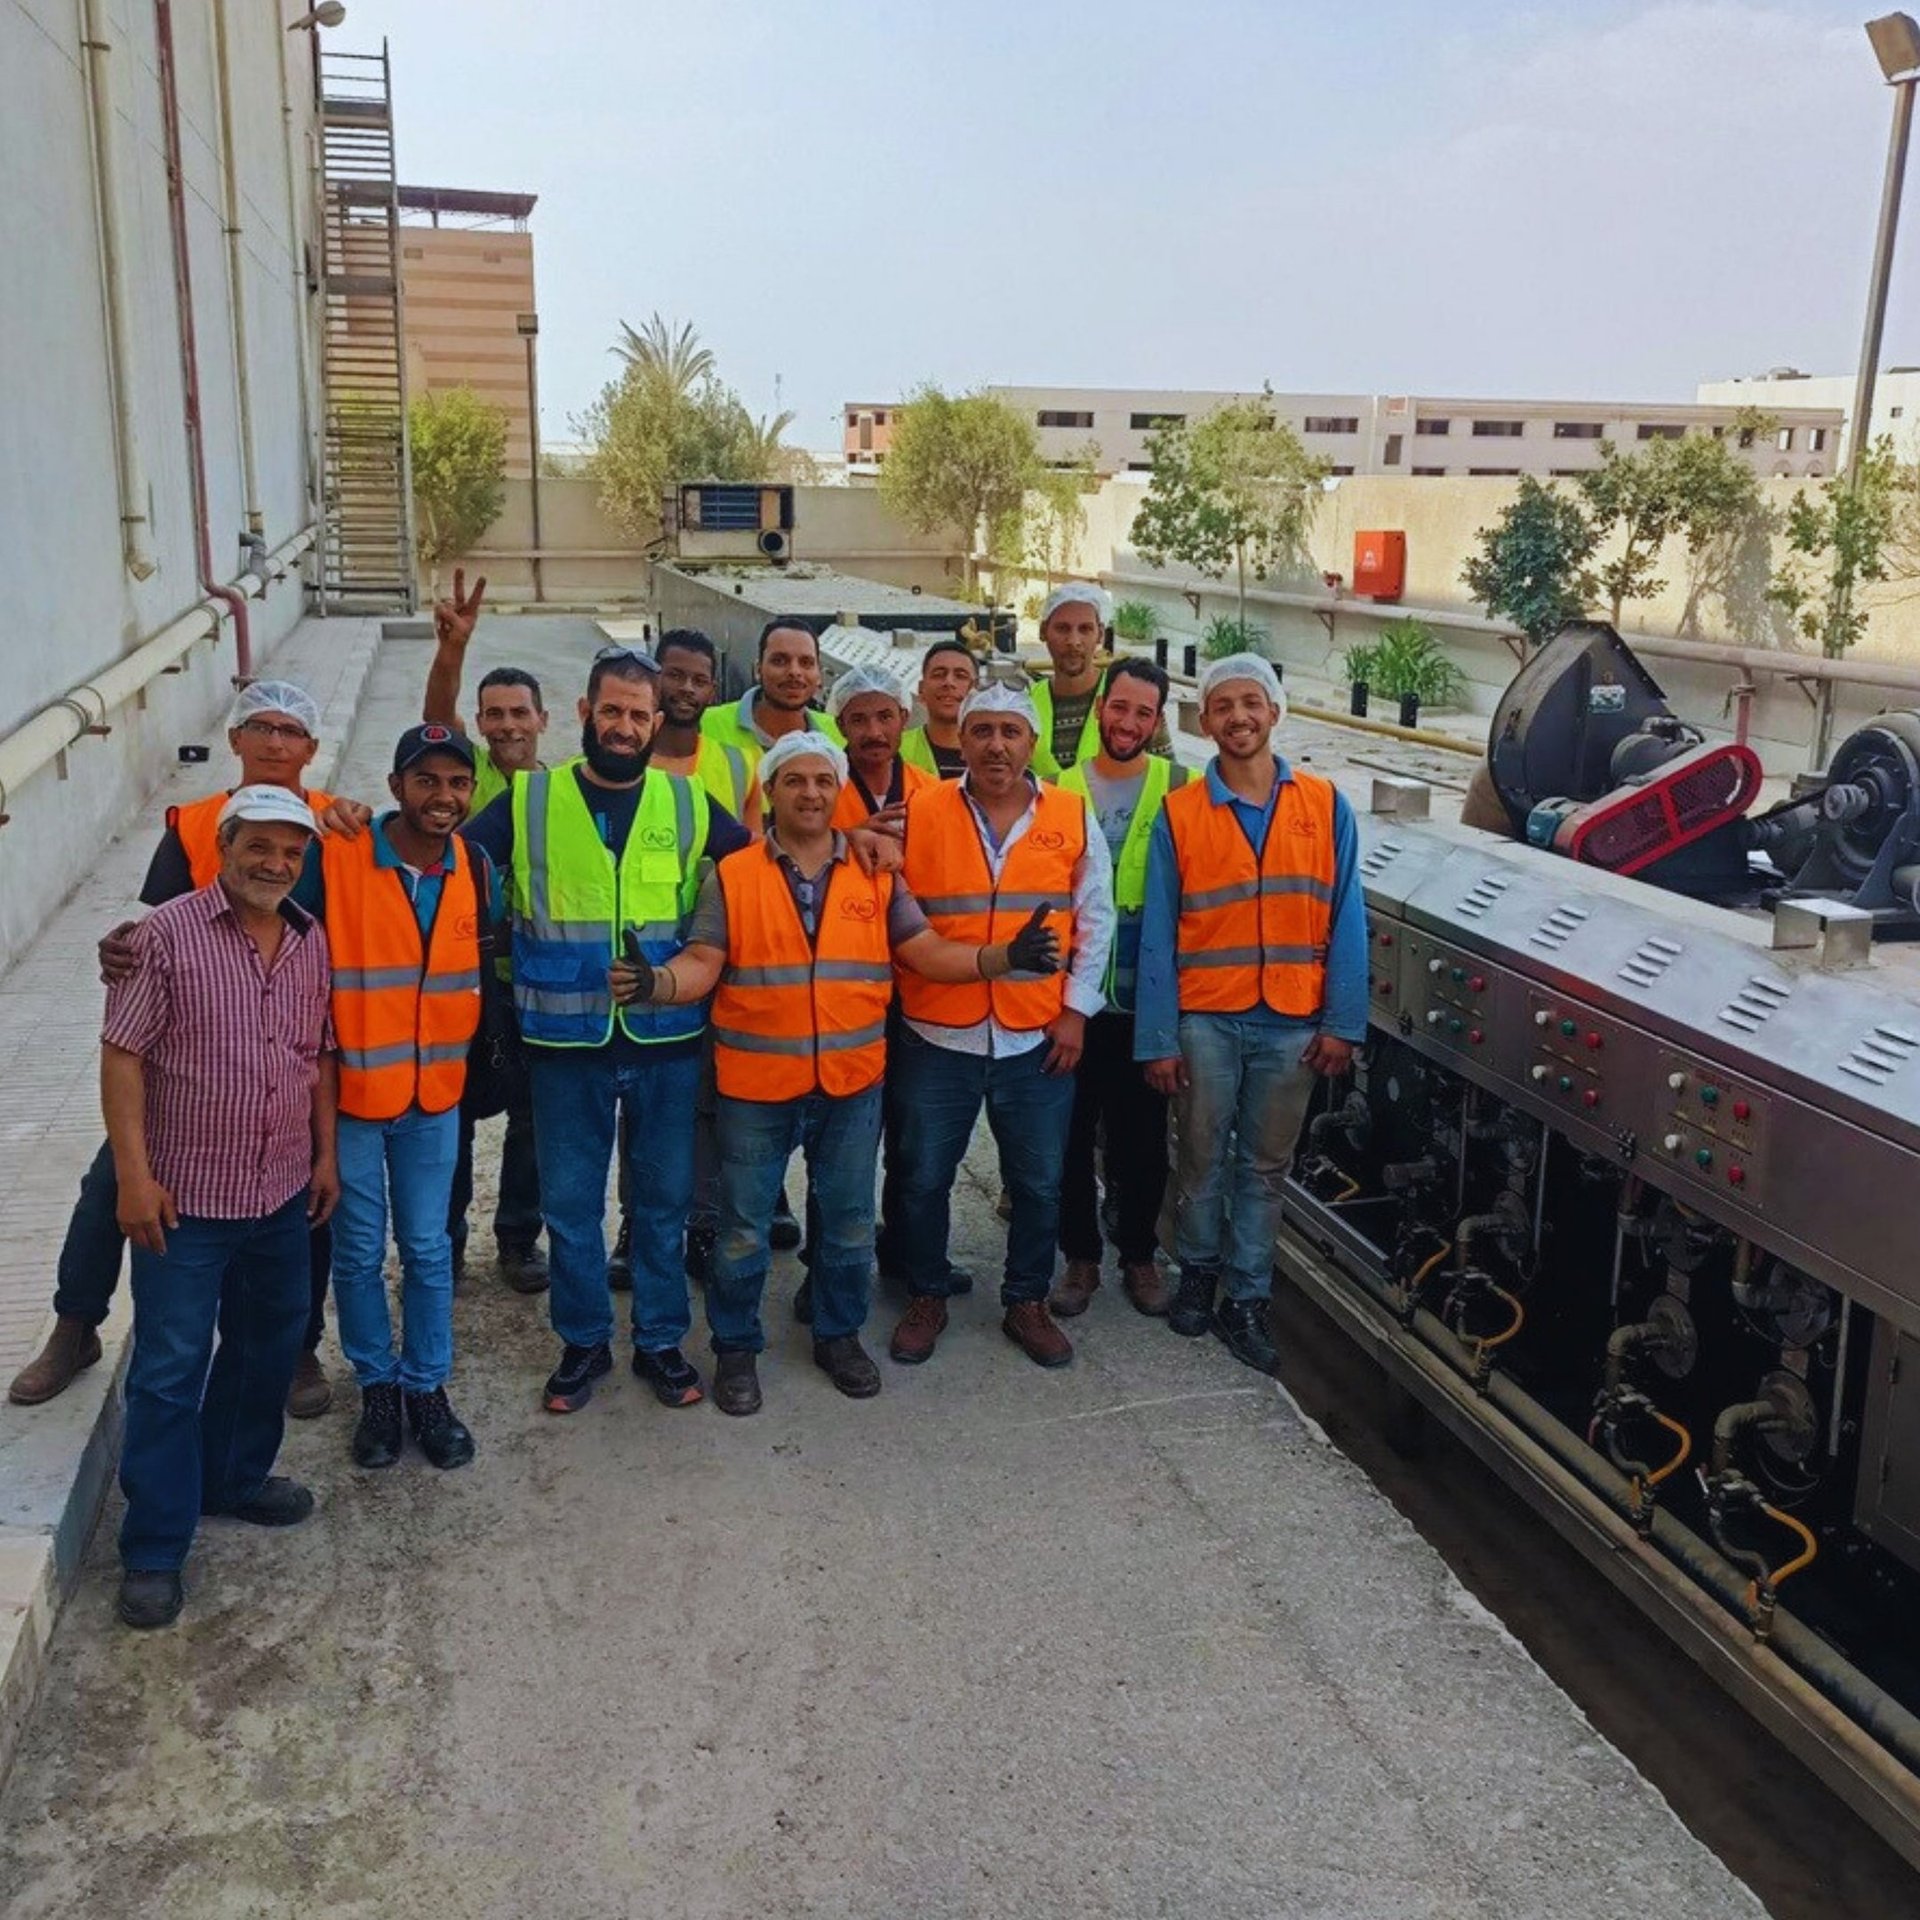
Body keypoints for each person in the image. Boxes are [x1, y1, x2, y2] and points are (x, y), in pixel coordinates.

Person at [614, 731, 1061, 1414]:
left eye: (824, 781)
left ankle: (837, 1334)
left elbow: (927, 951)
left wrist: (1003, 958)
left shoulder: (874, 872)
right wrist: (656, 983)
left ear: (838, 788)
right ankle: (736, 1347)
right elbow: (704, 962)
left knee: (850, 1221)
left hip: (851, 1083)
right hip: (757, 1086)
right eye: (796, 781)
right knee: (741, 1226)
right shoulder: (732, 874)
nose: (812, 793)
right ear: (772, 792)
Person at [8, 681, 363, 1417]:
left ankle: (297, 1348)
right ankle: (77, 1325)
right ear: (233, 740)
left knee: (306, 1197)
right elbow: (147, 928)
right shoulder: (196, 824)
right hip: (194, 1059)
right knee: (113, 1180)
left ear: (312, 748)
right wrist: (122, 947)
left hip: (295, 1041)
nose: (274, 742)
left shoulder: (335, 823)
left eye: (291, 730)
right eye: (259, 727)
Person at [460, 645, 756, 1414]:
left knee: (660, 1206)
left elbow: (763, 872)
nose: (625, 726)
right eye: (613, 711)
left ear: (657, 723)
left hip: (667, 1041)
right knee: (571, 1207)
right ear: (587, 714)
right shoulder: (527, 803)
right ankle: (584, 1342)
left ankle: (659, 1341)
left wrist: (861, 843)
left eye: (639, 714)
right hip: (563, 1049)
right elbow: (442, 862)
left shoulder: (690, 806)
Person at [106, 786, 340, 1629]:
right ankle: (156, 1546)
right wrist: (133, 1178)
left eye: (292, 852)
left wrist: (323, 1155)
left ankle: (235, 1478)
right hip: (186, 1202)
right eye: (260, 847)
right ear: (226, 845)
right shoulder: (162, 938)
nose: (276, 865)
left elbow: (317, 1052)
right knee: (170, 1371)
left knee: (267, 1344)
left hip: (279, 1191)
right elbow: (123, 1056)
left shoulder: (311, 940)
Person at [1134, 654, 1369, 1374]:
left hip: (1293, 1021)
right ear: (1203, 722)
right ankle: (1198, 1275)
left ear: (1273, 713)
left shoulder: (1326, 805)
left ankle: (1248, 1298)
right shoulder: (1181, 814)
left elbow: (1347, 917)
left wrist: (1343, 1024)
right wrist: (1156, 1038)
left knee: (1266, 1168)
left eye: (1251, 704)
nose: (1238, 717)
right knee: (1201, 1156)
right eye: (1223, 706)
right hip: (1207, 1019)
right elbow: (1159, 931)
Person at [886, 685, 1114, 1370]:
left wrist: (1076, 1011)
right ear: (961, 738)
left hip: (1034, 1035)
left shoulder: (1071, 815)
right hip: (938, 1034)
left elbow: (1096, 918)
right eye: (980, 731)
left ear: (1031, 742)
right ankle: (927, 1294)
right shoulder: (922, 810)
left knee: (1040, 1181)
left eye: (1010, 732)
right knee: (923, 1175)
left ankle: (1025, 1301)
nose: (995, 745)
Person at [325, 725, 495, 1472]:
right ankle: (377, 1387)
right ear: (395, 786)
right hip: (355, 1098)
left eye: (458, 783)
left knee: (429, 1250)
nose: (444, 797)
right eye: (427, 780)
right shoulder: (340, 856)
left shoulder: (475, 865)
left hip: (435, 1100)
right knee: (359, 1253)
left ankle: (427, 1386)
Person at [419, 567, 549, 1294]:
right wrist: (451, 653)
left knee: (533, 1121)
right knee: (455, 1121)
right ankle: (447, 1241)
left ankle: (517, 1240)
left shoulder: (557, 790)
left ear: (542, 720)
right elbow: (435, 723)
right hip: (459, 981)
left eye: (517, 713)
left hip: (531, 984)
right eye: (492, 713)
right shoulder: (462, 775)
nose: (505, 725)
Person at [1050, 659, 1191, 1320]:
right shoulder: (1061, 789)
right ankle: (1080, 1257)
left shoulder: (1179, 787)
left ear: (1156, 720)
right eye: (1120, 707)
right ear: (1101, 707)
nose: (1128, 722)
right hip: (1075, 1002)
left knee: (1141, 1138)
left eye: (1143, 712)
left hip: (1145, 1004)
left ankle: (1138, 1253)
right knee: (1070, 1136)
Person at [1029, 585, 1174, 779]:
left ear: (1100, 634)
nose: (1074, 641)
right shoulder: (1025, 703)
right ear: (1043, 632)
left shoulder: (1131, 698)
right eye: (1062, 628)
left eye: (1085, 629)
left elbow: (1168, 779)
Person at [648, 628, 761, 825]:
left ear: (712, 693)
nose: (687, 688)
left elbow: (753, 848)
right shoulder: (624, 759)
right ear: (652, 679)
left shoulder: (741, 766)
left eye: (699, 681)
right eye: (675, 676)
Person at [701, 619, 845, 770]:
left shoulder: (839, 735)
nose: (794, 671)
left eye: (806, 662)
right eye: (780, 661)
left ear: (819, 674)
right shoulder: (705, 727)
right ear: (758, 669)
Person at [827, 662, 935, 833]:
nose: (874, 733)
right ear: (841, 725)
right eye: (858, 720)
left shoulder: (930, 790)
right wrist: (847, 840)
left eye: (885, 717)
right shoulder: (819, 792)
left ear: (904, 718)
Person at [900, 638, 977, 779]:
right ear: (921, 689)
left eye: (960, 676)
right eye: (939, 674)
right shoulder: (897, 751)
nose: (949, 682)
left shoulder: (994, 752)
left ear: (975, 690)